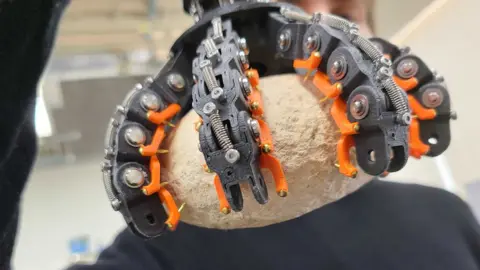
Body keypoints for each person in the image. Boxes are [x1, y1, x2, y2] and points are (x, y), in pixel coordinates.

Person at [1, 0, 479, 270]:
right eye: (292, 4)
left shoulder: (451, 217)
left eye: (342, 11)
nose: (311, 21)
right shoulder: (161, 252)